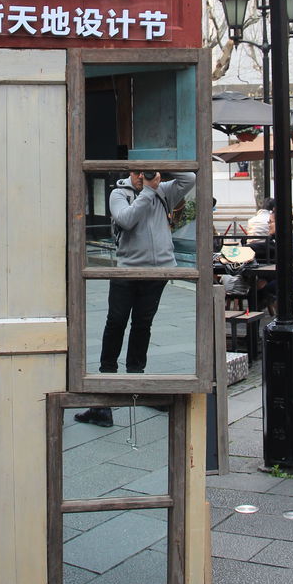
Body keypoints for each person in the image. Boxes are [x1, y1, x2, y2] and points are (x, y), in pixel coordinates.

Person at [75, 168, 196, 427]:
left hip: (159, 269)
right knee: (115, 323)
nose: (143, 176)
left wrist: (161, 173)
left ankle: (136, 382)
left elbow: (190, 178)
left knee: (143, 325)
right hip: (128, 269)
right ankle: (105, 394)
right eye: (139, 172)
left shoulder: (163, 190)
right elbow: (127, 220)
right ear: (130, 172)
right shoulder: (119, 194)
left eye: (146, 172)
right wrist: (148, 191)